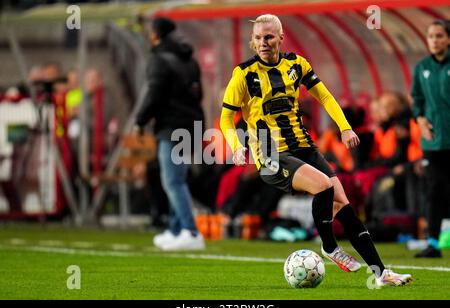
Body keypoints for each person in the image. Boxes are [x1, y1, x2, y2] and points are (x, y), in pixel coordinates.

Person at [220, 14, 411, 286]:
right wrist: (237, 147)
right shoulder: (244, 75)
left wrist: (345, 127)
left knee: (343, 205)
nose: (263, 43)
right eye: (258, 38)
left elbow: (324, 95)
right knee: (324, 186)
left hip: (305, 147)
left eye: (269, 37)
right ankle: (330, 246)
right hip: (272, 156)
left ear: (280, 38)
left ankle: (381, 273)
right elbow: (226, 118)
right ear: (252, 42)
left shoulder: (297, 65)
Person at [133, 17, 205, 251]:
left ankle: (190, 231)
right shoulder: (190, 60)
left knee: (172, 181)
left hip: (172, 127)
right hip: (192, 124)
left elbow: (154, 94)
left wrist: (140, 120)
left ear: (156, 34)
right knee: (179, 180)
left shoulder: (158, 60)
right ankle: (176, 231)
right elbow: (198, 94)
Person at [411, 19, 450, 258]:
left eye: (439, 36)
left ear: (448, 39)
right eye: (431, 36)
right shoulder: (421, 67)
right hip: (433, 143)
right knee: (434, 191)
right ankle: (433, 243)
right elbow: (417, 99)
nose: (434, 41)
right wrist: (420, 119)